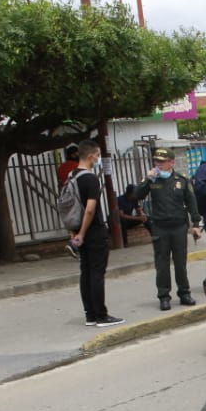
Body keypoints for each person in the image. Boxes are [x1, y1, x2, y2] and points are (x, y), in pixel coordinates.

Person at [136, 147, 201, 311]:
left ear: (171, 162)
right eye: (157, 161)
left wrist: (196, 224)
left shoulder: (182, 180)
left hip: (179, 227)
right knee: (162, 265)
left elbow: (192, 202)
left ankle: (184, 293)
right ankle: (164, 296)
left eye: (162, 162)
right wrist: (147, 180)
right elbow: (137, 195)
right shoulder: (152, 180)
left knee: (181, 263)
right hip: (160, 227)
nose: (159, 165)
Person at [68, 140, 123, 326]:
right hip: (93, 232)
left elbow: (68, 208)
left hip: (77, 232)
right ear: (91, 156)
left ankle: (90, 314)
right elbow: (90, 209)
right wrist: (83, 232)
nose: (98, 159)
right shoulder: (90, 179)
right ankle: (101, 315)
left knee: (86, 272)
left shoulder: (71, 176)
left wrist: (74, 233)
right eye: (98, 155)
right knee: (97, 273)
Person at [116, 183, 148, 248]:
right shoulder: (120, 199)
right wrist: (137, 218)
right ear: (130, 193)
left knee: (147, 218)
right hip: (120, 222)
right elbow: (122, 215)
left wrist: (142, 215)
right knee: (122, 221)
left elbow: (139, 211)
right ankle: (125, 243)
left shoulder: (134, 199)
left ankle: (155, 237)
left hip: (129, 220)